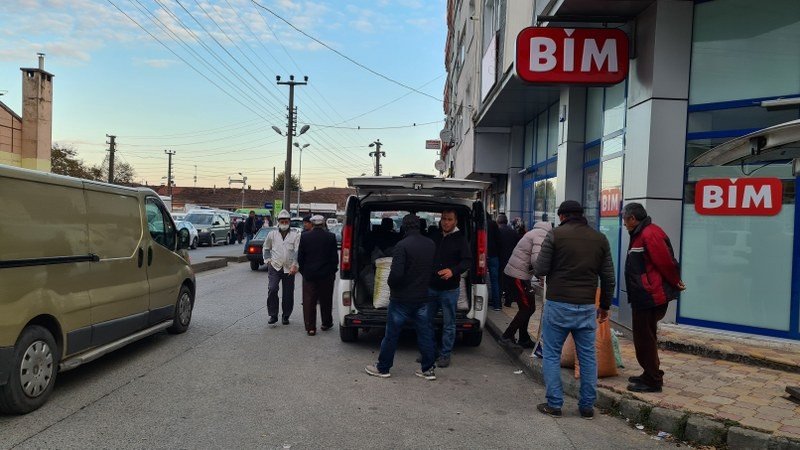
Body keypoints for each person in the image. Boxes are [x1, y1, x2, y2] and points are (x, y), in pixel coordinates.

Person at [534, 200, 615, 419]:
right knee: (588, 356)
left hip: (558, 304)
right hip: (587, 306)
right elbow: (608, 278)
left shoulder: (555, 235)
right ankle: (587, 406)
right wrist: (605, 306)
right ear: (581, 215)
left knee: (551, 354)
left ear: (562, 216)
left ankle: (555, 404)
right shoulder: (600, 239)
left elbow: (540, 268)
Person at [365, 214, 437, 381]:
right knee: (425, 334)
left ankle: (383, 368)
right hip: (423, 297)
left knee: (391, 335)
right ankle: (428, 370)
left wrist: (391, 286)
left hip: (401, 299)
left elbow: (396, 274)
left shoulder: (401, 245)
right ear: (419, 227)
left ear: (404, 227)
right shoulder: (431, 244)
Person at [622, 202, 685, 393]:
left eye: (625, 220)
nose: (624, 224)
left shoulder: (649, 234)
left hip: (649, 294)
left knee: (645, 337)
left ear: (633, 218)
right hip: (644, 293)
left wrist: (675, 282)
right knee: (645, 335)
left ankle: (653, 379)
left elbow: (666, 263)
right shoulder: (642, 233)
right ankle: (650, 372)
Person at [428, 209, 472, 368]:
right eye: (443, 219)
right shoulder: (435, 236)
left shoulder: (460, 239)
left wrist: (452, 271)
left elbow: (467, 261)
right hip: (431, 288)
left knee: (449, 324)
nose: (446, 222)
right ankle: (430, 352)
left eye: (449, 219)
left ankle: (445, 355)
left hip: (449, 289)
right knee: (427, 322)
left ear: (456, 221)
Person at [500, 215, 552, 349]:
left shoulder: (534, 232)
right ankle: (507, 336)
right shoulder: (542, 235)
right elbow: (537, 260)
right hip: (518, 275)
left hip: (519, 274)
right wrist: (542, 276)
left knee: (529, 307)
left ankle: (523, 338)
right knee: (527, 308)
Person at [297, 215, 339, 336]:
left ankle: (311, 327)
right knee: (326, 300)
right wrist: (332, 271)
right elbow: (334, 258)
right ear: (323, 223)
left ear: (312, 223)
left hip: (309, 274)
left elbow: (301, 257)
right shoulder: (330, 237)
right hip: (326, 274)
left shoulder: (305, 237)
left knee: (309, 301)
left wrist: (304, 272)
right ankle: (326, 323)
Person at [263, 210, 301, 325]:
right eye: (282, 221)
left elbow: (297, 251)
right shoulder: (272, 234)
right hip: (275, 266)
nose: (284, 223)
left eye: (286, 221)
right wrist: (268, 260)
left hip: (289, 268)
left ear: (289, 222)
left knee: (288, 294)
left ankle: (286, 316)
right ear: (278, 222)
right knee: (273, 289)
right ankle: (273, 315)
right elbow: (266, 247)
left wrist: (295, 266)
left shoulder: (295, 235)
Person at [497, 213, 520, 308]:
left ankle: (498, 301)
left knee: (500, 281)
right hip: (511, 259)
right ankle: (508, 301)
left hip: (500, 259)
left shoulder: (498, 231)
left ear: (498, 222)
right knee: (510, 281)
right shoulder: (513, 232)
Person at [486, 213, 502, 311]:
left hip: (481, 256)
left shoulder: (478, 223)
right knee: (494, 281)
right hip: (493, 255)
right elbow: (499, 240)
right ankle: (496, 305)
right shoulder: (493, 224)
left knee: (479, 281)